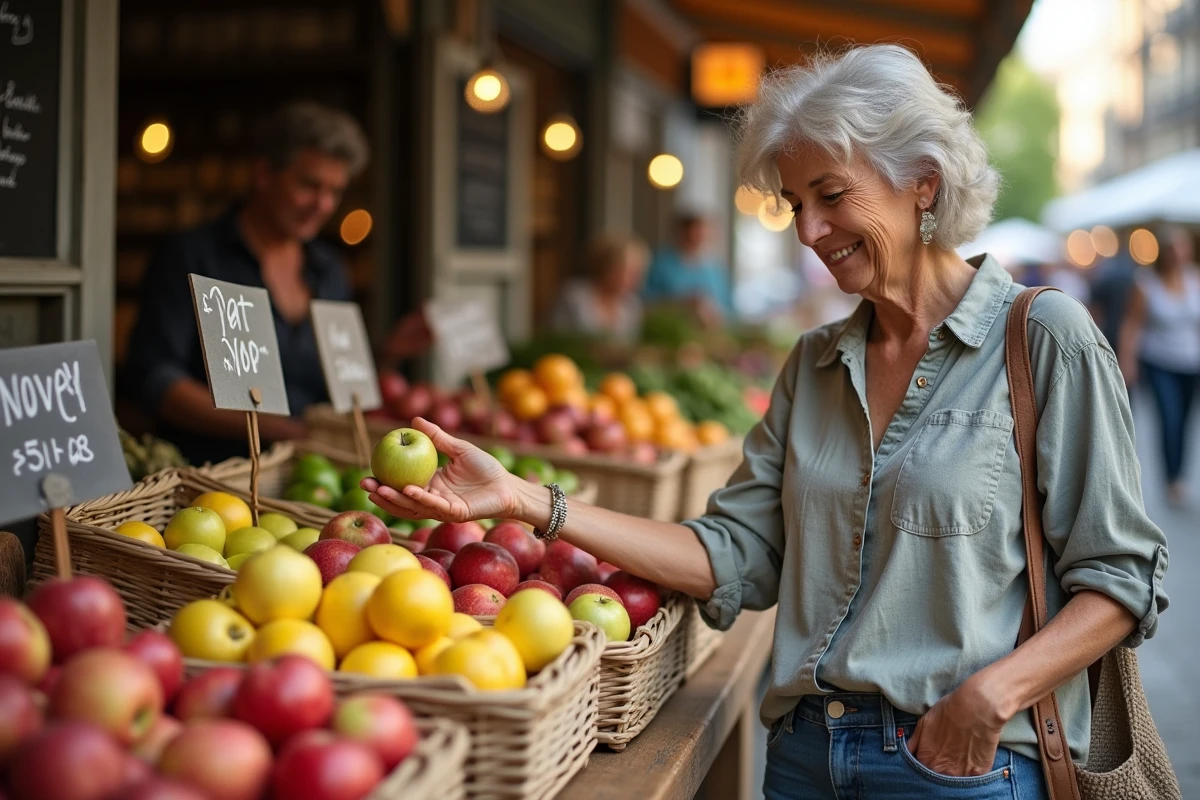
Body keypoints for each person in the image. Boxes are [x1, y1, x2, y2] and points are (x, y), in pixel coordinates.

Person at [364, 45, 1169, 799]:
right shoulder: (815, 363)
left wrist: (991, 698)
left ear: (923, 180)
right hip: (803, 757)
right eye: (795, 204)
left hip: (959, 765)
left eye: (831, 196)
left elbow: (1121, 579)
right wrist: (523, 500)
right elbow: (734, 554)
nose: (809, 233)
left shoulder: (1042, 338)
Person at [125, 101, 430, 465]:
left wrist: (388, 354)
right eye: (309, 185)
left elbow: (337, 380)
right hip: (212, 475)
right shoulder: (192, 256)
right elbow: (154, 379)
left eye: (335, 191)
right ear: (264, 173)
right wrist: (281, 429)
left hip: (311, 474)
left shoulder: (328, 269)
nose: (323, 204)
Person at [1119, 225, 1200, 508]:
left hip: (1190, 362)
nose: (1179, 256)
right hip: (1158, 362)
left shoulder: (1195, 280)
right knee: (1170, 418)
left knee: (1186, 422)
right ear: (1164, 254)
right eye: (1173, 251)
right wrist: (1127, 361)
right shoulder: (1146, 283)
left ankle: (1179, 472)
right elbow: (1132, 324)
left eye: (1183, 250)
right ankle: (1171, 479)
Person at [549, 234, 648, 342]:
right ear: (606, 268)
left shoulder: (631, 305)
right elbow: (555, 340)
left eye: (637, 274)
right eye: (628, 272)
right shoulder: (574, 296)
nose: (635, 280)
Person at [642, 214, 734, 326]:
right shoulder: (660, 264)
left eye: (700, 233)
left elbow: (728, 307)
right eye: (691, 233)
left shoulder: (714, 269)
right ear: (680, 233)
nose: (695, 238)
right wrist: (681, 304)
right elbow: (645, 302)